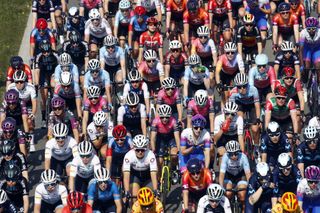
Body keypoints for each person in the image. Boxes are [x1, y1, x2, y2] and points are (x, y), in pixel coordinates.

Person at [122, 135, 159, 203]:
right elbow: (126, 175)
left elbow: (153, 174)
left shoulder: (150, 155)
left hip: (148, 177)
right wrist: (127, 191)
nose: (140, 152)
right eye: (137, 150)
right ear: (134, 148)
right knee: (134, 199)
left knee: (149, 200)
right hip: (135, 177)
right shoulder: (128, 155)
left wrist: (155, 190)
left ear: (146, 149)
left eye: (142, 150)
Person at [7, 70, 37, 152]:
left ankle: (31, 142)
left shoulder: (30, 87)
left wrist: (33, 114)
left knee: (29, 122)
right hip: (16, 105)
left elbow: (34, 103)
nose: (19, 84)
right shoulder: (11, 87)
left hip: (28, 104)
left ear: (25, 81)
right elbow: (7, 102)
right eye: (17, 82)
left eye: (21, 82)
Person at [229, 73, 261, 147]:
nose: (242, 89)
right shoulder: (233, 92)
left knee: (255, 129)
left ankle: (256, 147)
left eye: (244, 86)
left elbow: (257, 105)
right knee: (240, 120)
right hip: (240, 105)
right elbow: (232, 107)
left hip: (251, 105)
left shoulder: (253, 90)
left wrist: (258, 118)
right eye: (239, 87)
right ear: (236, 87)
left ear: (247, 85)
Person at [219, 140, 251, 209]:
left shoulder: (243, 157)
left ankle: (243, 208)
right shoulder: (225, 157)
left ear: (239, 151)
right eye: (231, 154)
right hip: (229, 176)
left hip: (240, 175)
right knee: (228, 194)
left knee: (243, 195)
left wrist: (249, 186)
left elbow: (248, 174)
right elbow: (221, 175)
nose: (233, 156)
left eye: (236, 153)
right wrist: (221, 187)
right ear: (227, 153)